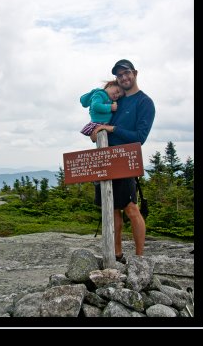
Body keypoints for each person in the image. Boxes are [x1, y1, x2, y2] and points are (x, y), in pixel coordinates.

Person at [90, 59, 155, 262]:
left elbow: (140, 137)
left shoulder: (144, 102)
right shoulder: (115, 100)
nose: (124, 77)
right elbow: (101, 122)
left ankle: (139, 259)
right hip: (105, 158)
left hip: (125, 159)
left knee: (130, 207)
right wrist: (96, 132)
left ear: (135, 73)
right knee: (111, 208)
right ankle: (116, 255)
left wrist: (112, 129)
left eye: (126, 73)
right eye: (119, 75)